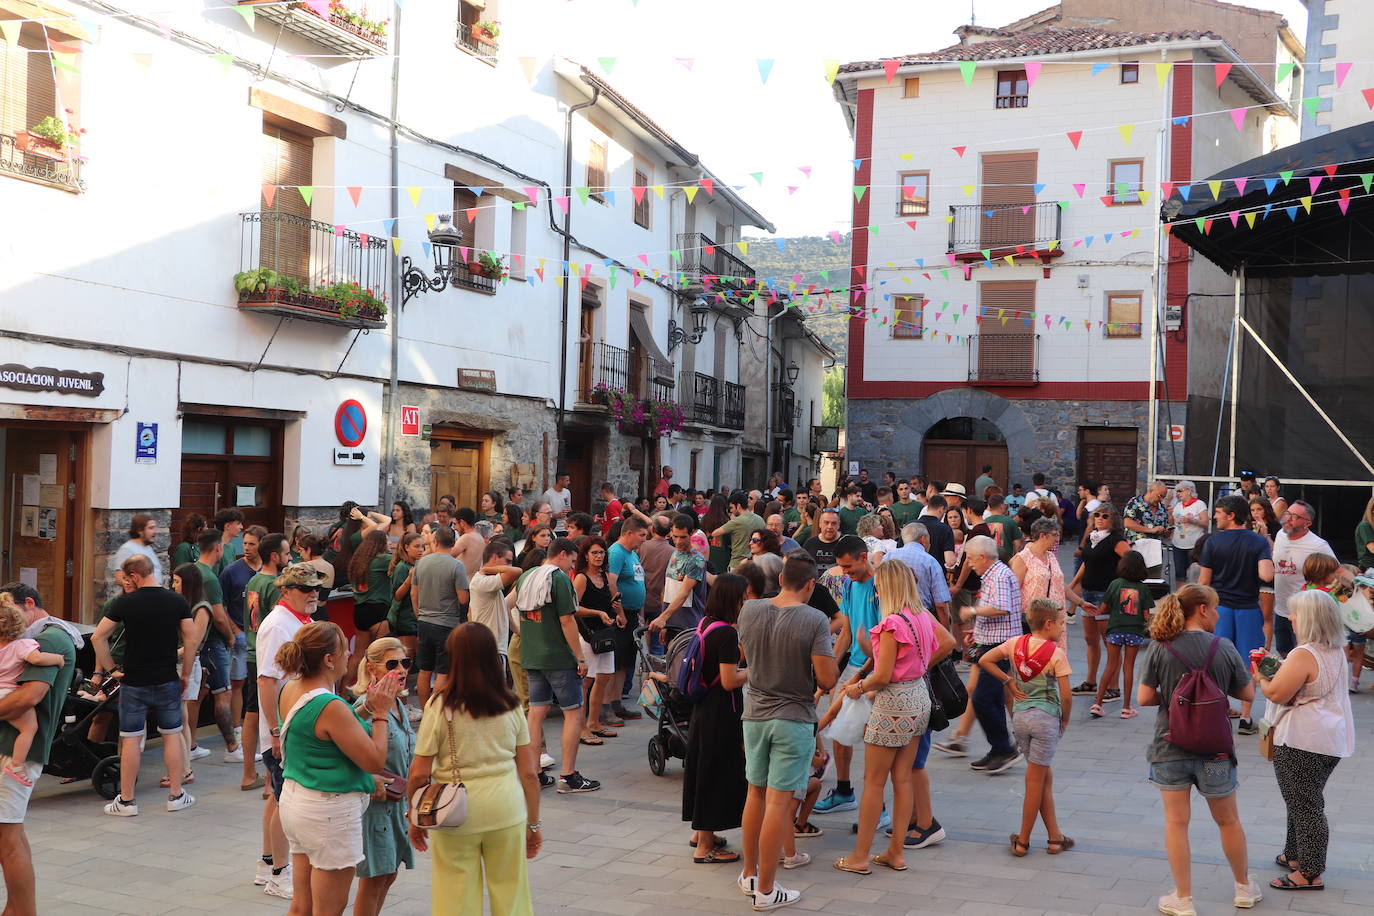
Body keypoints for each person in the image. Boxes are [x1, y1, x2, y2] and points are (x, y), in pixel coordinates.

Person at [1138, 583, 1261, 915]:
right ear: (1203, 609)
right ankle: (1243, 888)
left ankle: (1183, 897)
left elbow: (1144, 698)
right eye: (1216, 608)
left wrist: (1177, 700)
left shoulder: (1161, 647)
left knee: (1176, 822)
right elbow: (1247, 695)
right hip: (1215, 752)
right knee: (1228, 820)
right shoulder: (1223, 647)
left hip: (1169, 748)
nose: (1218, 614)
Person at [828, 560, 951, 875]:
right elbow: (937, 648)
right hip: (917, 698)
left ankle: (860, 856)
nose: (877, 591)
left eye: (880, 586)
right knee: (903, 777)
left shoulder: (891, 624)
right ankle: (895, 851)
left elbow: (882, 675)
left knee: (873, 781)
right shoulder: (922, 617)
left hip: (893, 703)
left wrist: (859, 687)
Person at [406, 623, 539, 915]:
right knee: (512, 890)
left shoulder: (440, 706)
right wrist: (534, 824)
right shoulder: (511, 704)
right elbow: (529, 772)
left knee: (455, 895)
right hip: (506, 806)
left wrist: (414, 815)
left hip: (455, 810)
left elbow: (418, 773)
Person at [273, 621, 398, 916]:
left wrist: (365, 708)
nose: (350, 656)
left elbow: (330, 729)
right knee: (329, 909)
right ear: (329, 659)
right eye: (345, 650)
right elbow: (374, 760)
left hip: (296, 802)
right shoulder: (330, 704)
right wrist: (380, 712)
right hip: (328, 814)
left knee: (302, 906)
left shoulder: (292, 687)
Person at [736, 553, 838, 910]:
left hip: (755, 715)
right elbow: (827, 679)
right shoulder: (814, 619)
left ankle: (750, 874)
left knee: (755, 795)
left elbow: (744, 657)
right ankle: (766, 889)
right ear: (811, 585)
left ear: (781, 580)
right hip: (793, 717)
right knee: (779, 804)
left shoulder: (749, 610)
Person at [1255, 590, 1354, 892]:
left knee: (1305, 804)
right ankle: (1295, 854)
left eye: (1296, 614)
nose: (1291, 619)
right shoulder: (1335, 649)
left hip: (1302, 740)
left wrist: (1260, 674)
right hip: (1328, 738)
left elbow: (1275, 693)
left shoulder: (1305, 654)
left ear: (1309, 619)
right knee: (1299, 799)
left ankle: (1310, 872)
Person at [92, 554, 196, 816]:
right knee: (171, 734)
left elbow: (98, 637)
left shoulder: (125, 602)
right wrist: (184, 673)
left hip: (134, 681)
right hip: (166, 678)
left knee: (130, 738)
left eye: (128, 579)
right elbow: (191, 641)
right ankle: (176, 794)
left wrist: (111, 669)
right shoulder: (176, 600)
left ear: (135, 576)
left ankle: (127, 800)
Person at [0, 582, 79, 916]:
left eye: (7, 608)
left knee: (8, 839)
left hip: (15, 751)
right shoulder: (28, 638)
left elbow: (29, 697)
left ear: (28, 603)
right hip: (10, 746)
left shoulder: (50, 638)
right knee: (11, 837)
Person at [977, 597, 1073, 856]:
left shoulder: (1014, 644)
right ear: (1049, 623)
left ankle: (1055, 837)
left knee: (1042, 776)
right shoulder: (1056, 654)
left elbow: (985, 659)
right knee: (1034, 781)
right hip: (1046, 719)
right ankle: (1023, 841)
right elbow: (1065, 695)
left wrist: (1008, 681)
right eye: (1062, 624)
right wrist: (1065, 718)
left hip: (1020, 719)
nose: (1063, 628)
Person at [257, 563, 329, 898]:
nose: (314, 594)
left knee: (278, 798)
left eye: (317, 589)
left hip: (294, 726)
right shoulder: (278, 625)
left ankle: (267, 864)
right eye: (306, 589)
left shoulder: (301, 621)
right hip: (285, 730)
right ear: (286, 590)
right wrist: (275, 730)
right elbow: (267, 680)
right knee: (285, 802)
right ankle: (278, 874)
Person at [514, 537, 600, 793]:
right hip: (558, 657)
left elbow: (512, 606)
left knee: (536, 714)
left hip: (532, 655)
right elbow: (567, 621)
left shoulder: (527, 575)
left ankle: (534, 773)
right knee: (573, 713)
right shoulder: (559, 578)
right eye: (572, 561)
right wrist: (580, 657)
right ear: (562, 554)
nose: (571, 567)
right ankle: (568, 776)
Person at [681, 573, 750, 864]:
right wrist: (756, 669)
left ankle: (701, 833)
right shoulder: (726, 634)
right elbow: (729, 680)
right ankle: (705, 847)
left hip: (703, 710)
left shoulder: (706, 623)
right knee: (716, 773)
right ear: (733, 599)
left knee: (702, 769)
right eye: (743, 597)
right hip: (721, 712)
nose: (745, 601)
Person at [1199, 495, 1275, 735]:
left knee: (1216, 661)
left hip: (1219, 610)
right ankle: (1245, 717)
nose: (1215, 516)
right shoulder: (1257, 542)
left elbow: (1203, 582)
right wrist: (1264, 547)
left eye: (1219, 512)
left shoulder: (1212, 542)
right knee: (1250, 664)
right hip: (1248, 609)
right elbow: (1266, 576)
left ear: (1231, 515)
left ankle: (1219, 711)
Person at [350, 637, 415, 916]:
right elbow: (348, 748)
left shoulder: (399, 704)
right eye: (392, 664)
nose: (401, 670)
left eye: (405, 663)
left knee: (389, 875)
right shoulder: (366, 707)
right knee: (375, 879)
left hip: (397, 806)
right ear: (373, 669)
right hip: (374, 808)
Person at [814, 536, 878, 816]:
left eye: (849, 567)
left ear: (864, 557)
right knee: (838, 731)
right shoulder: (850, 585)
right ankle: (843, 790)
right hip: (854, 664)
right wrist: (831, 668)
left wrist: (864, 676)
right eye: (842, 568)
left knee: (873, 736)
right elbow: (848, 632)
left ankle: (879, 807)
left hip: (877, 668)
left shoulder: (881, 587)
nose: (846, 573)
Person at [958, 535, 1024, 774]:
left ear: (983, 557)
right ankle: (999, 749)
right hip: (992, 644)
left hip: (999, 648)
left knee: (982, 699)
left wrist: (971, 611)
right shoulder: (994, 574)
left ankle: (1003, 749)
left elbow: (1002, 607)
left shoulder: (998, 575)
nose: (969, 563)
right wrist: (978, 632)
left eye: (971, 559)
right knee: (992, 698)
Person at [0, 595, 66, 787]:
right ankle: (17, 765)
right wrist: (58, 659)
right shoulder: (22, 645)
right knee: (29, 728)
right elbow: (37, 659)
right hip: (9, 693)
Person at [1068, 502, 1130, 699]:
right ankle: (1091, 681)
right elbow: (1087, 563)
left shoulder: (1116, 540)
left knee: (1109, 641)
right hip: (1088, 593)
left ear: (1113, 520)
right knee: (1090, 640)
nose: (1100, 519)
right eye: (1097, 515)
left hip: (1106, 593)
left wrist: (1122, 584)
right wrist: (1073, 583)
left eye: (1105, 516)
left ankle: (1113, 686)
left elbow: (1131, 560)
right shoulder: (1093, 538)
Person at [1090, 550, 1154, 720]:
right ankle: (1126, 708)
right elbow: (1147, 615)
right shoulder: (1143, 588)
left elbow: (1103, 609)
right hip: (1134, 631)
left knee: (1110, 665)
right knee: (1129, 667)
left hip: (1115, 629)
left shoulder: (1115, 584)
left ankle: (1097, 704)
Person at [412, 526, 470, 708]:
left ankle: (424, 711)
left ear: (435, 542)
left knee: (424, 670)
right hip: (447, 624)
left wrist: (419, 614)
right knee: (443, 672)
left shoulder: (421, 563)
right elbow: (463, 598)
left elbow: (414, 594)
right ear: (453, 544)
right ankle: (436, 712)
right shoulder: (456, 566)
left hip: (424, 621)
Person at [1011, 518, 1091, 646]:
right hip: (1035, 621)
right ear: (1042, 535)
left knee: (1054, 660)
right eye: (1055, 534)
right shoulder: (1023, 558)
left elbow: (1058, 585)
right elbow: (1013, 591)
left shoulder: (1051, 557)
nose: (1058, 538)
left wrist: (1080, 602)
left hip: (1055, 620)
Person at [1271, 500, 1333, 658]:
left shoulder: (1318, 546)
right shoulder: (1280, 535)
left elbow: (1337, 575)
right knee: (1283, 650)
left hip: (1305, 614)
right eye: (1287, 514)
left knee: (1304, 656)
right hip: (1281, 610)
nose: (1288, 519)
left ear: (1307, 523)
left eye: (1294, 516)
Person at [572, 537, 618, 745]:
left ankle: (594, 722)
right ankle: (581, 728)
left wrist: (619, 614)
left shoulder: (606, 576)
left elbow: (613, 601)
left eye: (601, 553)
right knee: (586, 681)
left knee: (605, 677)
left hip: (605, 633)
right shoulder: (581, 578)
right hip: (587, 635)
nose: (599, 556)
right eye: (594, 553)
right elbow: (573, 608)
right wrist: (597, 613)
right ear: (585, 556)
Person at [605, 517, 648, 723]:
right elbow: (612, 583)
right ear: (629, 533)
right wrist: (619, 611)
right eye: (642, 535)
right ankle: (606, 706)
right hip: (621, 614)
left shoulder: (632, 554)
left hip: (631, 614)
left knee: (625, 661)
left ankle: (616, 703)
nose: (644, 540)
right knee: (615, 660)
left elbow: (637, 582)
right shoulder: (616, 552)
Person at [349, 529, 393, 689]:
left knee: (358, 654)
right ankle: (380, 690)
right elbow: (402, 561)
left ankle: (343, 692)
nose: (389, 544)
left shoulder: (359, 560)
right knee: (382, 655)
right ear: (381, 544)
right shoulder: (382, 559)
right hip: (378, 611)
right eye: (387, 541)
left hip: (360, 610)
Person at [386, 533, 424, 665]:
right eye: (417, 546)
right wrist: (409, 579)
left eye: (422, 547)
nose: (421, 550)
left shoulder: (420, 564)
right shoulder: (402, 567)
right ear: (407, 547)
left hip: (417, 617)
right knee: (407, 658)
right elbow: (397, 596)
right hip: (405, 618)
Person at [713, 492, 765, 571]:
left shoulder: (736, 521)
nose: (731, 511)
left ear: (738, 505)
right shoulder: (760, 519)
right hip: (756, 563)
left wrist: (731, 521)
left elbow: (715, 533)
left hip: (737, 564)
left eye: (732, 507)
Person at [1170, 482, 1209, 586]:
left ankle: (1194, 595)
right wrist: (1169, 513)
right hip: (1178, 544)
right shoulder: (1177, 506)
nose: (1178, 494)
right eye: (1176, 491)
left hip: (1194, 544)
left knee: (1195, 573)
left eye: (1180, 491)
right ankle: (1181, 598)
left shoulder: (1199, 504)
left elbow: (1206, 523)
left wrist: (1192, 521)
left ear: (1189, 491)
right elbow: (1171, 523)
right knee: (1179, 574)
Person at [112, 513, 163, 584]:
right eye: (150, 528)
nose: (154, 532)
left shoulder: (148, 548)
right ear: (140, 530)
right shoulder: (127, 549)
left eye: (154, 528)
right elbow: (120, 578)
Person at [983, 493, 1023, 563]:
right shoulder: (1010, 521)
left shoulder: (984, 522)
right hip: (1007, 561)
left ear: (989, 506)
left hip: (988, 561)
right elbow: (1017, 544)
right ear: (1001, 506)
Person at [747, 528, 785, 598]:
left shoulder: (769, 559)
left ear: (766, 542)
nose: (750, 543)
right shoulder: (750, 560)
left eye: (755, 540)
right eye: (751, 540)